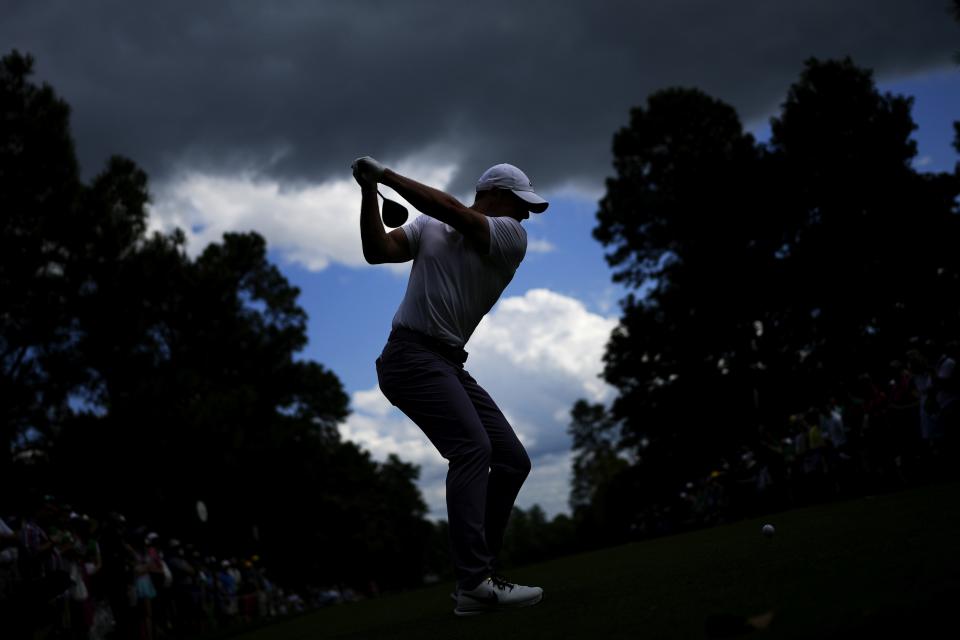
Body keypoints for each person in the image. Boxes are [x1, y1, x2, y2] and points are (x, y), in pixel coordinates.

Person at [352, 156, 546, 616]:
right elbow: (377, 250)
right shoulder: (428, 227)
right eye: (520, 204)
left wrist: (385, 177)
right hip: (409, 355)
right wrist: (367, 194)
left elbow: (452, 212)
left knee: (512, 460)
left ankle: (482, 576)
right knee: (473, 449)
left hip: (447, 362)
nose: (524, 216)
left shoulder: (509, 237)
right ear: (496, 194)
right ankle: (474, 584)